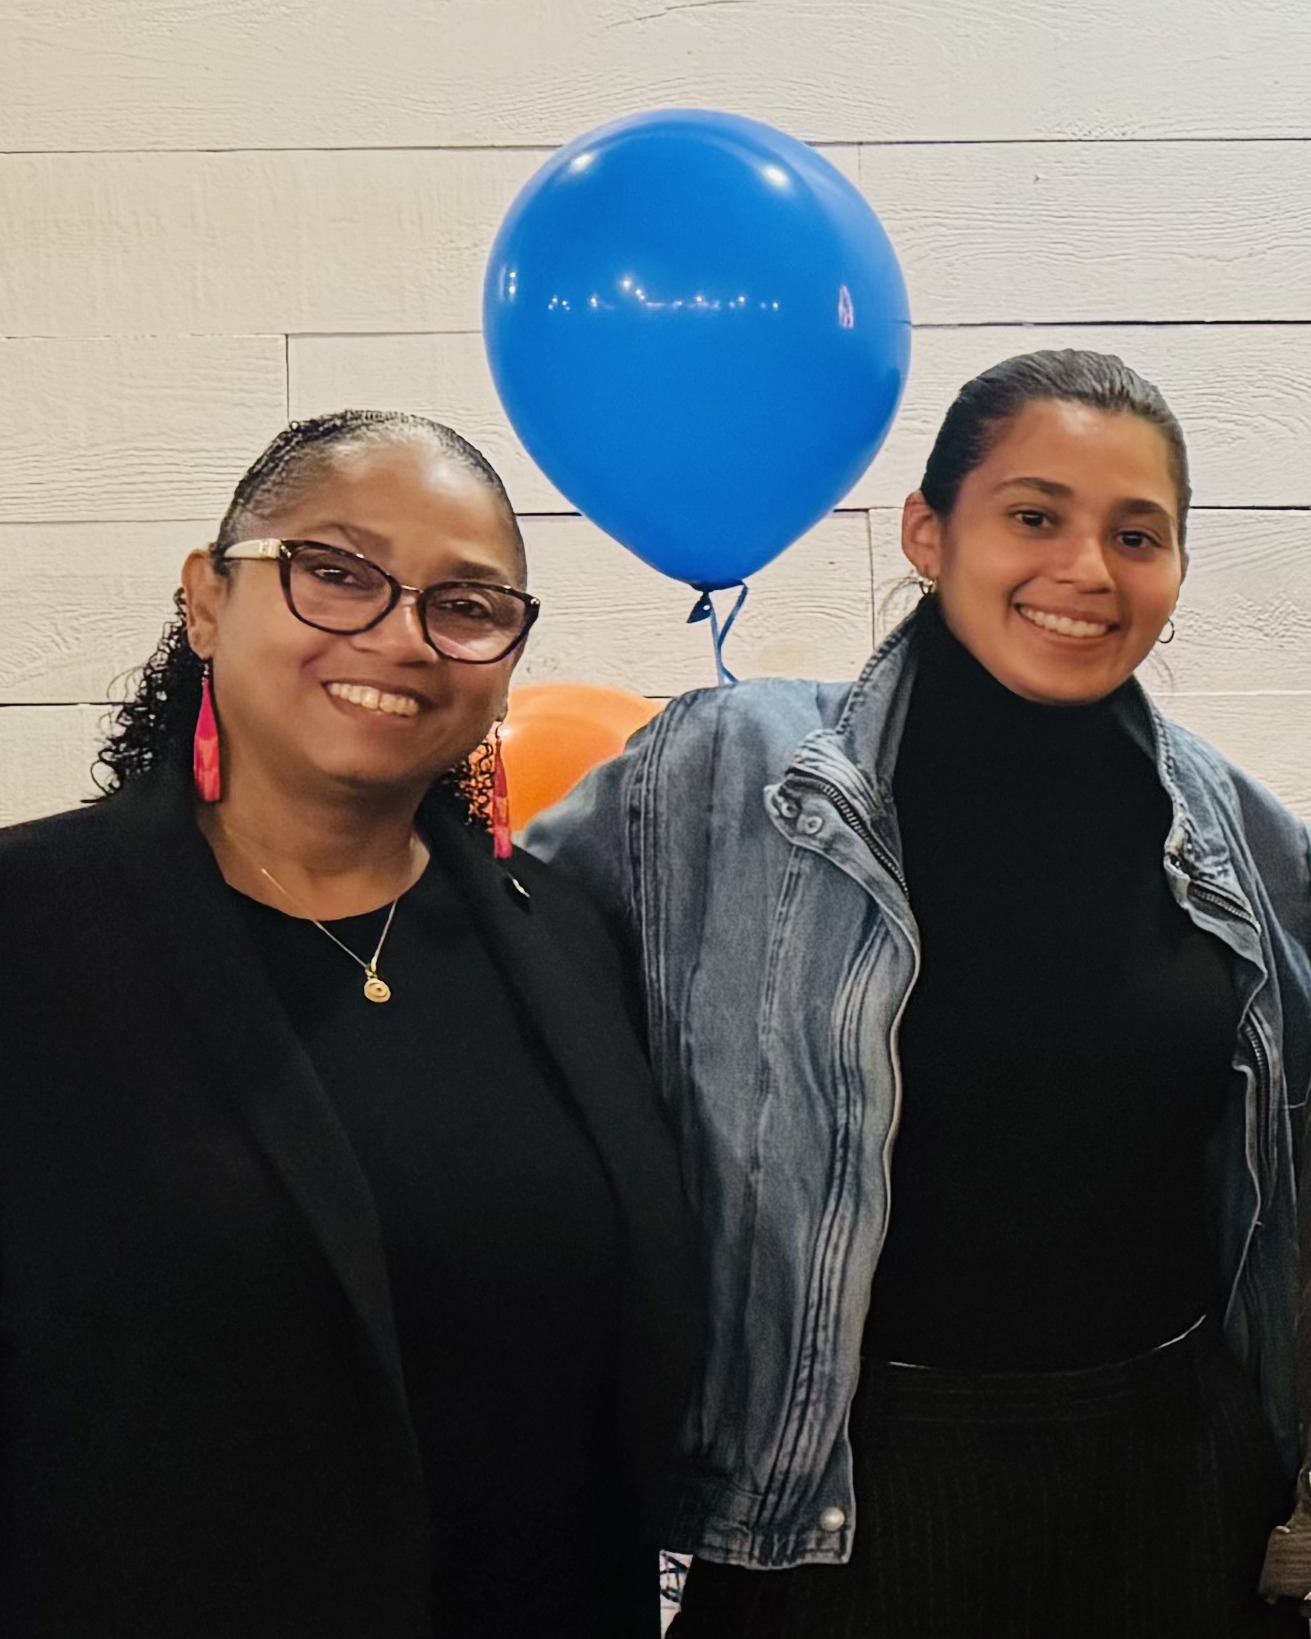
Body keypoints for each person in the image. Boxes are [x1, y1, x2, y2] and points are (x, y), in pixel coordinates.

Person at [527, 352, 1311, 1636]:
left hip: (1171, 1481)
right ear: (927, 532)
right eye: (1034, 515)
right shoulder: (726, 775)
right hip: (834, 1497)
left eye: (1137, 535)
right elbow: (496, 965)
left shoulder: (1240, 833)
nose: (1087, 569)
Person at [0, 409, 701, 1638]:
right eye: (335, 572)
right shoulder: (33, 928)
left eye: (466, 604)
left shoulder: (569, 934)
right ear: (206, 600)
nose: (400, 635)